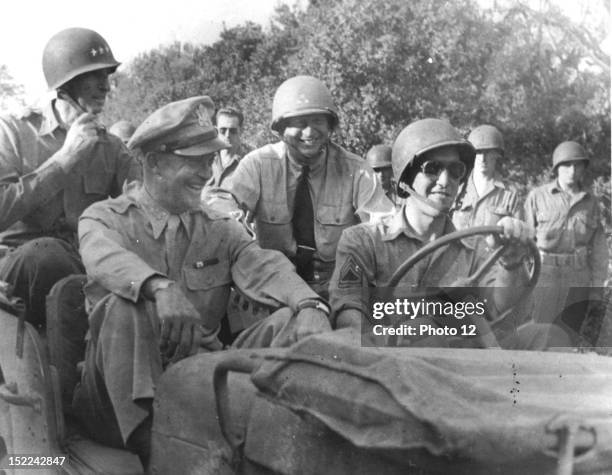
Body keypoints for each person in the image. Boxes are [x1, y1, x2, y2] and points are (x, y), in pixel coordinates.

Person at [72, 96, 331, 466]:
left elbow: (263, 265)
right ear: (156, 163)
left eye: (209, 160)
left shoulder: (219, 228)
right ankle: (158, 447)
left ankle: (301, 436)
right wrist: (158, 287)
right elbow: (101, 258)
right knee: (123, 305)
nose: (207, 173)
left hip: (194, 384)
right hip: (114, 401)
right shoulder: (104, 219)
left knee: (295, 321)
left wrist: (310, 305)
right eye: (194, 161)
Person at [330, 118, 557, 349]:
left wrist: (512, 263)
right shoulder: (363, 241)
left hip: (461, 361)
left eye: (455, 170)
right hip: (392, 363)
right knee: (424, 333)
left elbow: (497, 304)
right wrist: (391, 338)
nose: (445, 181)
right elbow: (348, 313)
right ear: (407, 179)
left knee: (546, 335)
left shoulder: (474, 248)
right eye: (433, 169)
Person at [0, 27, 139, 326]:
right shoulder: (12, 133)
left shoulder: (111, 147)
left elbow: (145, 204)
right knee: (46, 254)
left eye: (107, 77)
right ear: (66, 84)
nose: (106, 88)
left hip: (82, 272)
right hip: (18, 271)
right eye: (96, 77)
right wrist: (63, 162)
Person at [208, 76, 393, 298]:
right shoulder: (259, 164)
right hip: (275, 287)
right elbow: (221, 203)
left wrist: (353, 262)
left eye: (318, 121)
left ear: (330, 126)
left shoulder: (356, 169)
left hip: (339, 288)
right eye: (299, 123)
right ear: (280, 128)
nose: (309, 132)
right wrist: (242, 235)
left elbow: (385, 226)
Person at [524, 141, 608, 337]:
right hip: (545, 276)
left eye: (577, 165)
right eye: (566, 165)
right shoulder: (538, 197)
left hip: (578, 277)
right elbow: (525, 243)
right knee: (538, 334)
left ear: (583, 169)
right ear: (556, 168)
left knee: (567, 337)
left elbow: (599, 251)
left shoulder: (591, 202)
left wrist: (596, 289)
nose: (572, 170)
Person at [452, 125, 522, 252]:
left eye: (488, 152)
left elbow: (519, 241)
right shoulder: (456, 189)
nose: (483, 158)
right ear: (472, 155)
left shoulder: (509, 195)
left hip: (492, 265)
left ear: (497, 154)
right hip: (458, 263)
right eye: (478, 152)